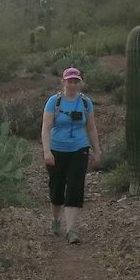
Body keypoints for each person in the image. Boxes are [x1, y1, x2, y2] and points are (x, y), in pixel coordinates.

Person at [41, 67, 101, 244]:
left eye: (76, 81)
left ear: (80, 83)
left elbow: (91, 127)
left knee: (75, 187)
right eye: (70, 81)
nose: (73, 85)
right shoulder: (54, 101)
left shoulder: (85, 102)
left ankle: (71, 229)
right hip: (57, 150)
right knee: (57, 188)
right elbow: (46, 128)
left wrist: (97, 150)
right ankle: (56, 221)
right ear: (63, 82)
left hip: (79, 149)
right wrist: (46, 151)